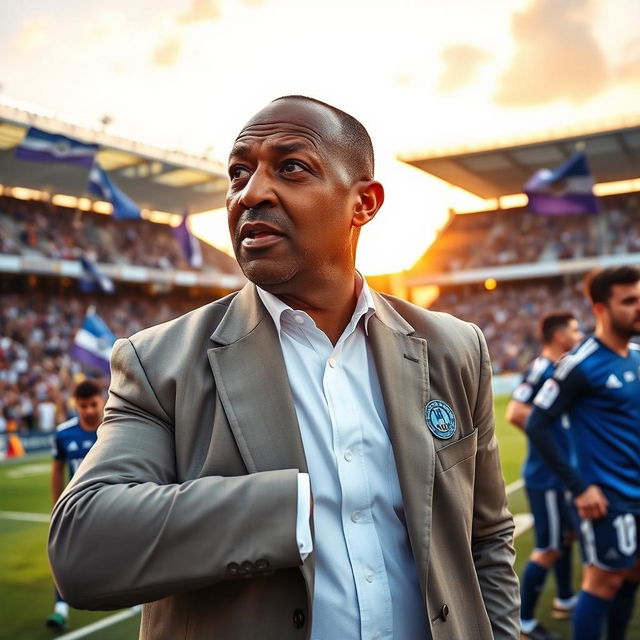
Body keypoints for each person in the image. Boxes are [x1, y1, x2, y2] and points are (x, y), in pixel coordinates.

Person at [48, 95, 520, 639]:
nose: (250, 193)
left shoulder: (455, 347)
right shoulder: (159, 362)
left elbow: (486, 538)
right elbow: (82, 548)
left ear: (363, 203)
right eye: (238, 173)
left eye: (291, 167)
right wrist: (292, 506)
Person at [527, 266, 640, 640]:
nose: (638, 307)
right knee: (602, 581)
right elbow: (537, 423)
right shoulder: (579, 363)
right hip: (608, 498)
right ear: (600, 308)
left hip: (637, 491)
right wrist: (579, 487)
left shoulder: (637, 355)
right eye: (629, 301)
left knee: (633, 573)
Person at [506, 313, 583, 640]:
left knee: (566, 539)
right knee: (548, 547)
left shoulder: (562, 370)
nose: (578, 334)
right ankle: (522, 623)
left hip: (562, 474)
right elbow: (516, 413)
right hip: (547, 475)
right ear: (557, 334)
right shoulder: (541, 368)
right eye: (574, 329)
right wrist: (552, 449)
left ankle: (565, 599)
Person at [45, 379, 105, 631]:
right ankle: (60, 610)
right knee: (63, 556)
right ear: (76, 406)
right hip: (76, 507)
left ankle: (138, 599)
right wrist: (57, 505)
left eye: (93, 404)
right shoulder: (64, 433)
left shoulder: (117, 428)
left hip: (113, 504)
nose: (89, 410)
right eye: (83, 406)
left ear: (102, 401)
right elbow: (57, 469)